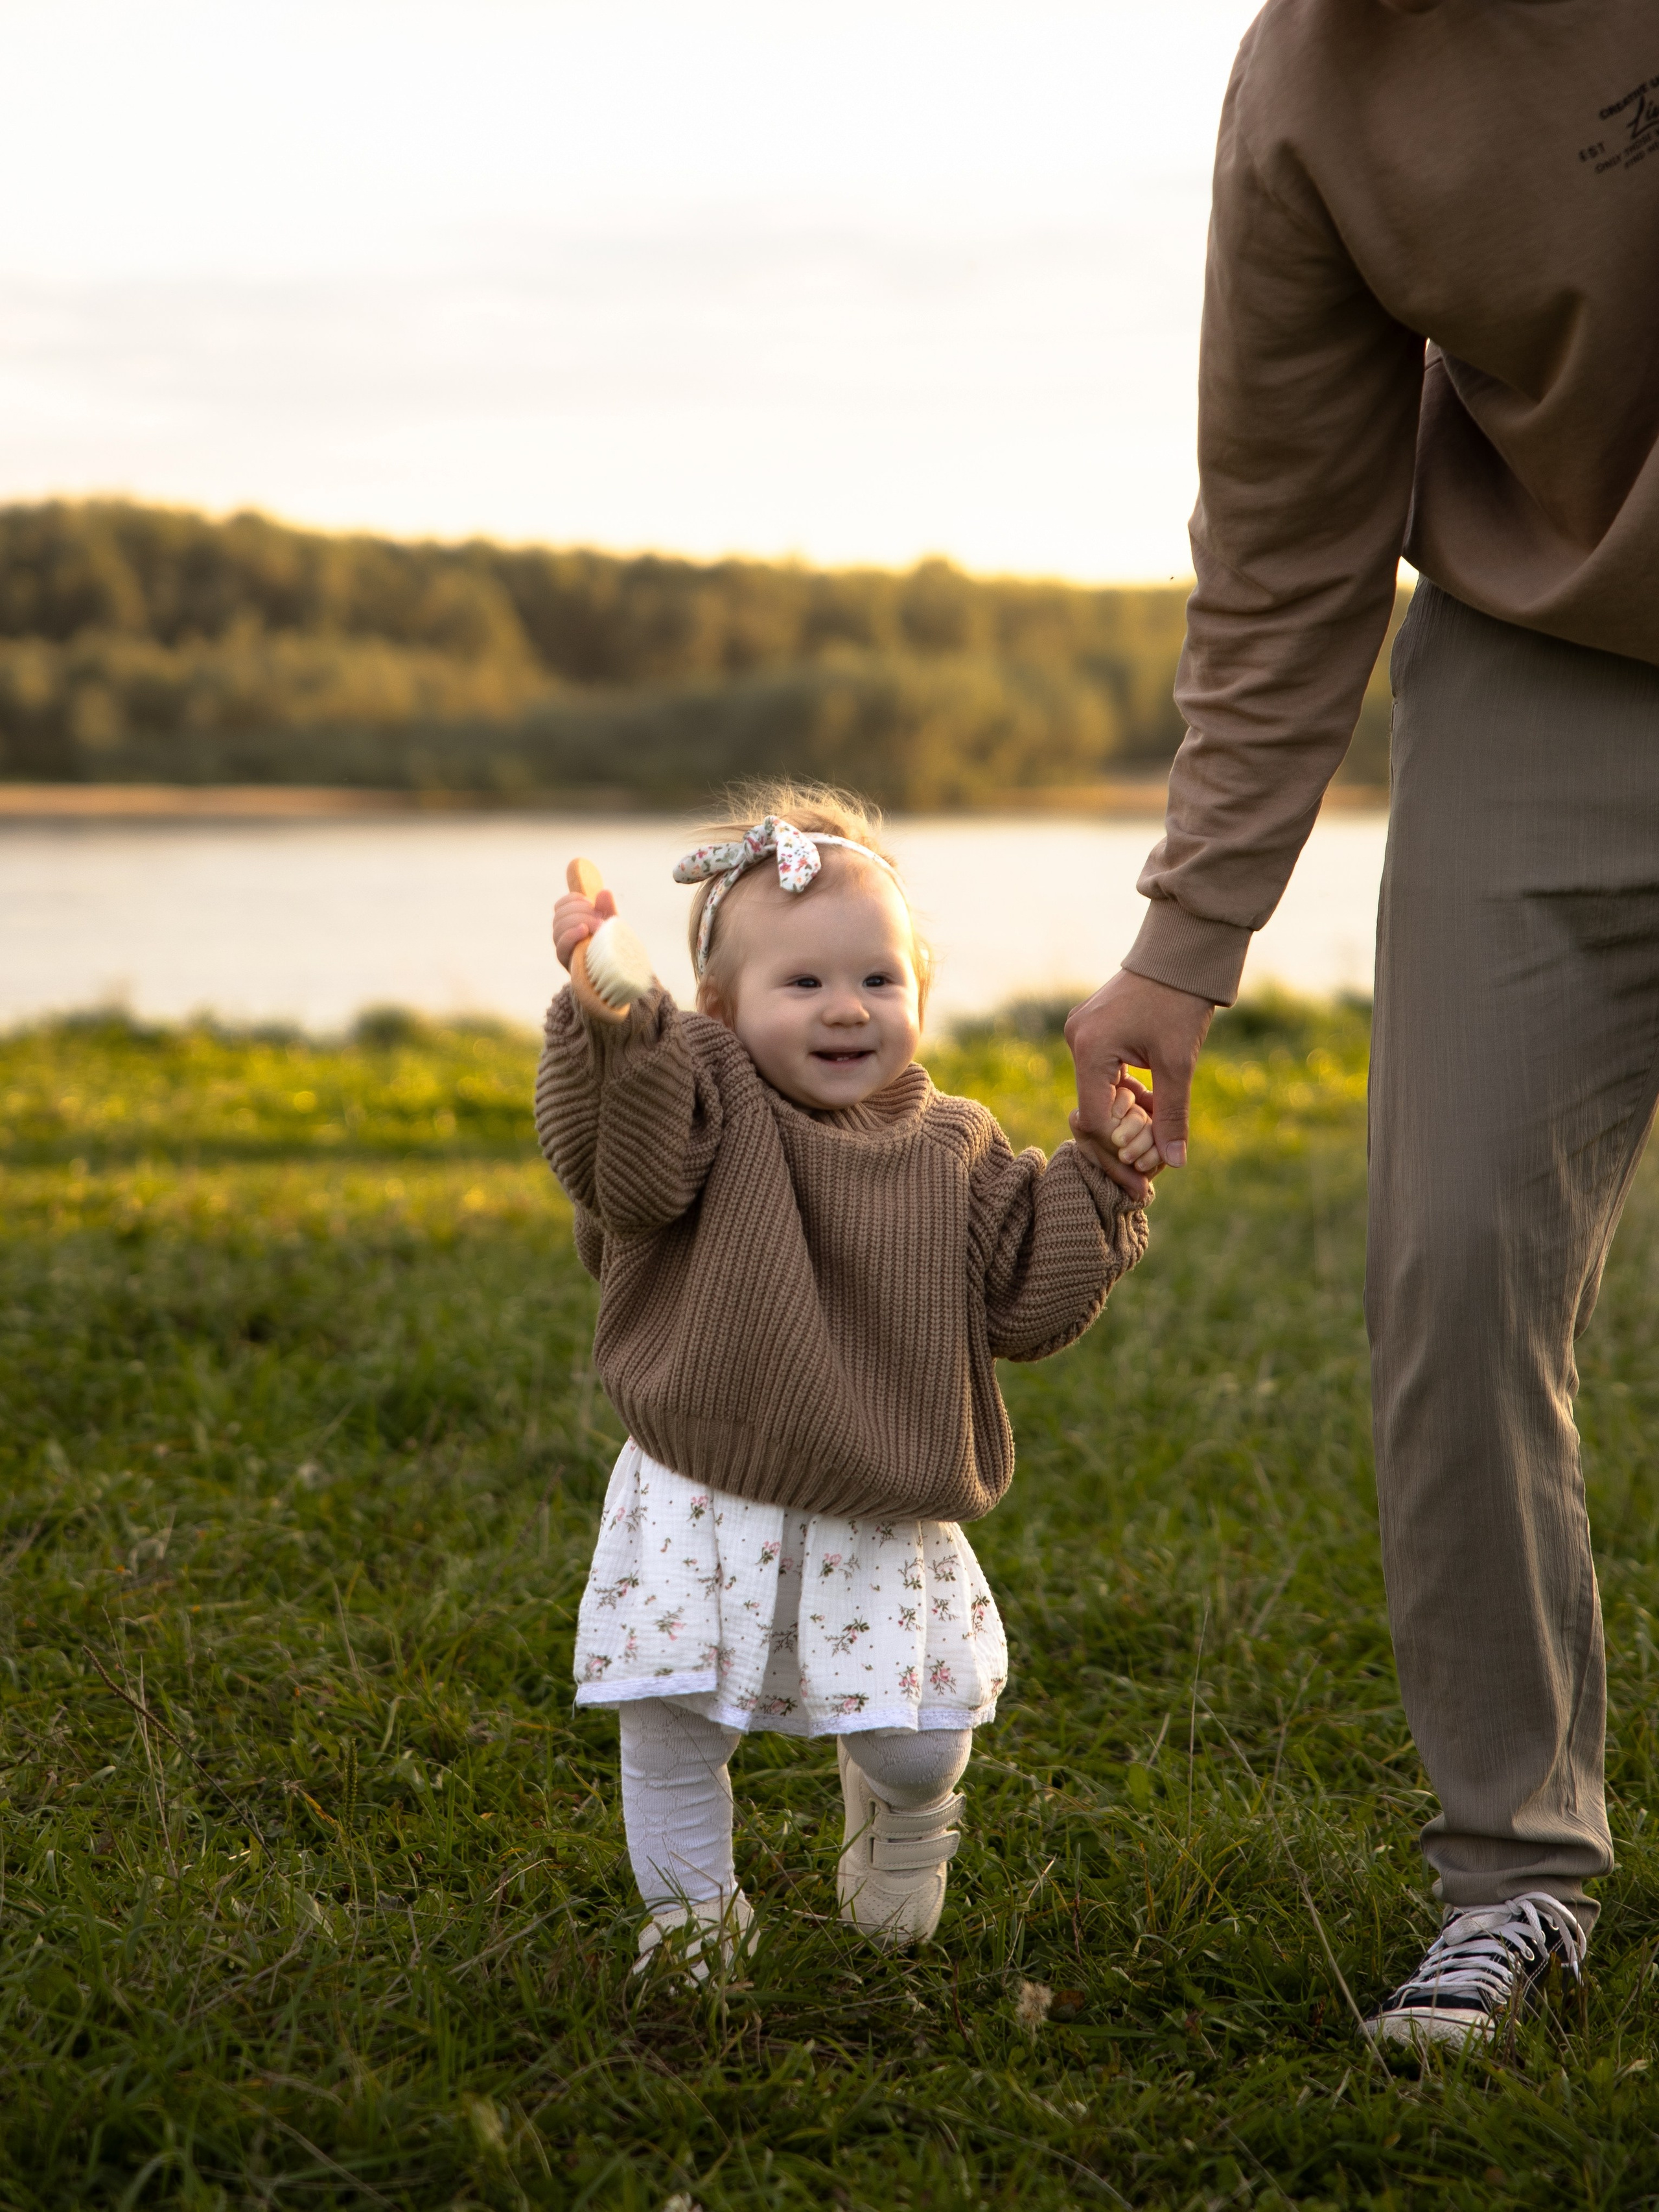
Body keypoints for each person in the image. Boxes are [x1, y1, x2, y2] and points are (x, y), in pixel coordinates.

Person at [1067, 0, 1659, 2046]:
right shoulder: (1311, 92)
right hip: (1545, 665)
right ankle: (1517, 1874)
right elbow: (1291, 528)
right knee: (1453, 1259)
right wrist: (1184, 940)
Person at [536, 782, 1154, 1978]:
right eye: (804, 981)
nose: (846, 1007)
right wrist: (615, 1026)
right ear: (719, 1007)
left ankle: (903, 1814)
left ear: (922, 991)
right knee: (673, 1725)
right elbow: (628, 1174)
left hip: (880, 1498)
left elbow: (1029, 1303)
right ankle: (694, 1920)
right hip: (704, 1486)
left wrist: (1100, 1180)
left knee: (917, 1743)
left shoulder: (956, 1147)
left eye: (879, 977)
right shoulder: (701, 1099)